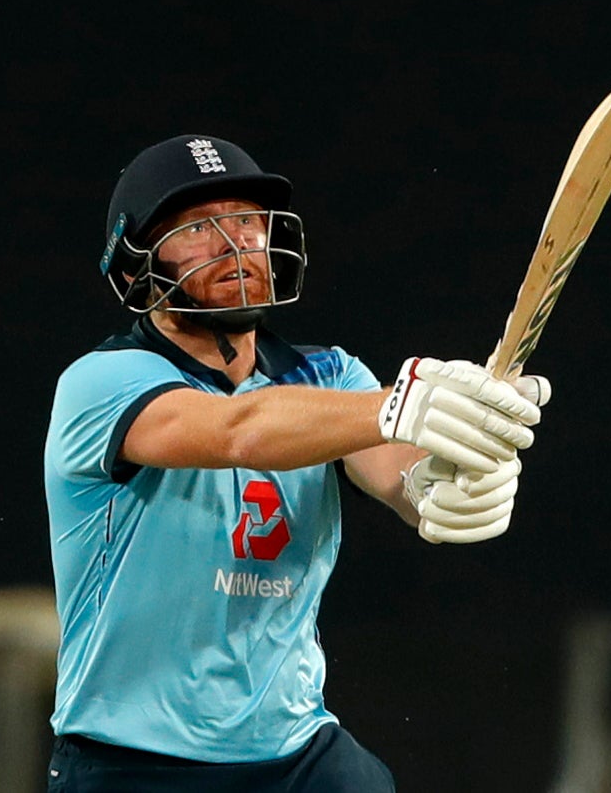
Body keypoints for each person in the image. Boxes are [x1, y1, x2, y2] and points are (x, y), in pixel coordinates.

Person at [43, 134, 551, 792]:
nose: (234, 244)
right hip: (135, 762)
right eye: (198, 227)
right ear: (137, 259)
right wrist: (407, 402)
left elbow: (397, 472)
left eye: (247, 221)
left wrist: (451, 480)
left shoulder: (331, 376)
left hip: (299, 755)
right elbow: (236, 431)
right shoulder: (101, 382)